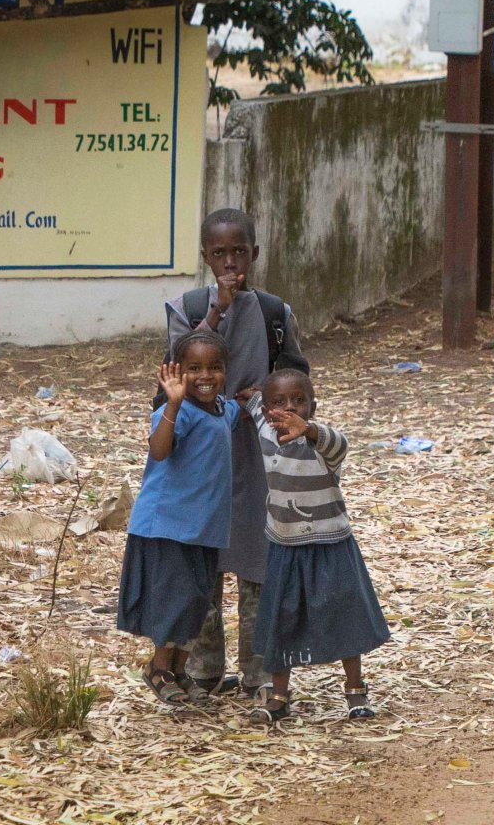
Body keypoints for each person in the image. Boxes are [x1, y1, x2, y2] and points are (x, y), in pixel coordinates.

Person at [164, 207, 308, 697]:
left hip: (257, 455)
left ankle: (259, 672)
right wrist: (219, 309)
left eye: (239, 252)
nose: (231, 262)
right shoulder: (187, 306)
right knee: (202, 559)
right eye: (220, 253)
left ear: (255, 254)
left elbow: (300, 384)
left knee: (257, 562)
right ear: (205, 257)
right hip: (201, 457)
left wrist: (269, 402)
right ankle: (203, 671)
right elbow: (179, 365)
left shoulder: (274, 313)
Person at [244, 368, 390, 723]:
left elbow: (340, 441)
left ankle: (355, 691)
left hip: (330, 545)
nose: (289, 408)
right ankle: (279, 696)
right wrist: (249, 399)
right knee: (281, 618)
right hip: (284, 545)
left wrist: (308, 429)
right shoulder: (264, 428)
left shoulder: (322, 445)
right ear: (267, 410)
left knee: (343, 614)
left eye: (299, 401)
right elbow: (253, 405)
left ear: (313, 405)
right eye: (278, 402)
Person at [117, 331, 242, 707]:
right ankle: (157, 669)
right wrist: (171, 404)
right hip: (167, 525)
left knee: (198, 602)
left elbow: (238, 408)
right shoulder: (178, 411)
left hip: (204, 528)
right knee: (174, 599)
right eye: (194, 368)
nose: (205, 376)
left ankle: (180, 670)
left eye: (214, 368)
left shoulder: (222, 409)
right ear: (176, 372)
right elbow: (159, 451)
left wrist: (253, 399)